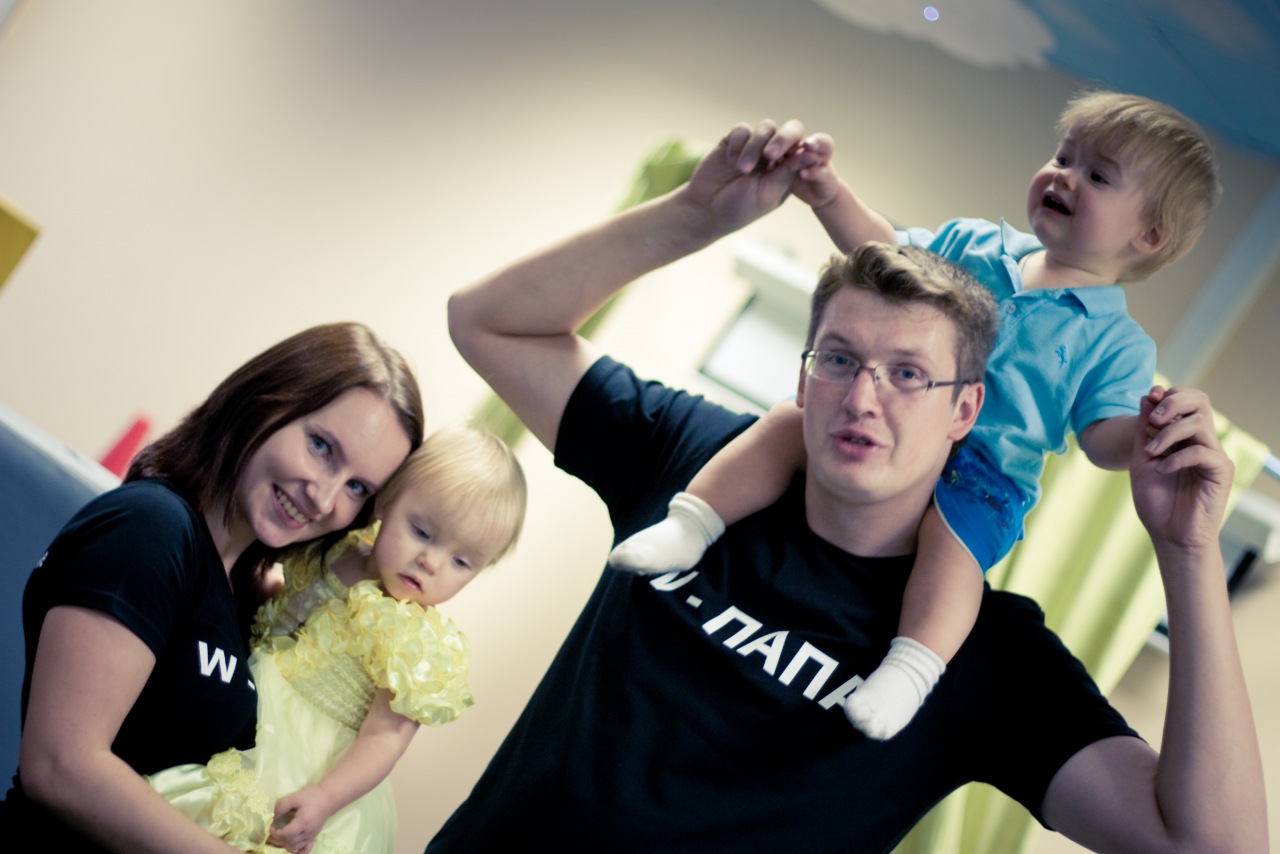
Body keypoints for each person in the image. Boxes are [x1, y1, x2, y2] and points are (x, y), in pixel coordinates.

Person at [430, 120, 1265, 851]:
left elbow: (1212, 845)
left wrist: (1186, 553)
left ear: (966, 407)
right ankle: (692, 524)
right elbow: (487, 321)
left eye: (908, 373)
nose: (863, 398)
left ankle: (905, 667)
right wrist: (695, 214)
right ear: (804, 372)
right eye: (838, 359)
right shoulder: (695, 452)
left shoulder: (984, 654)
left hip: (978, 514)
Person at [609, 91, 1223, 739]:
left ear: (1148, 236)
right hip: (892, 419)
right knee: (786, 423)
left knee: (954, 553)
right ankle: (691, 523)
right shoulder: (974, 243)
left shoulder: (1116, 343)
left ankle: (910, 669)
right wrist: (829, 195)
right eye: (1063, 156)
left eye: (1097, 175)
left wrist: (1149, 434)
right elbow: (881, 251)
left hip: (984, 473)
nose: (1063, 176)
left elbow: (1101, 439)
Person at [3, 322, 424, 853]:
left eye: (357, 487)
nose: (324, 498)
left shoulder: (246, 588)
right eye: (321, 446)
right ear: (264, 402)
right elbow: (61, 765)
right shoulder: (151, 528)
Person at [148, 422, 527, 854]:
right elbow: (289, 597)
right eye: (422, 532)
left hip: (306, 767)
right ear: (386, 500)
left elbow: (384, 739)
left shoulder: (417, 642)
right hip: (245, 696)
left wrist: (326, 797)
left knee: (235, 825)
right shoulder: (339, 548)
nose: (431, 562)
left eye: (461, 561)